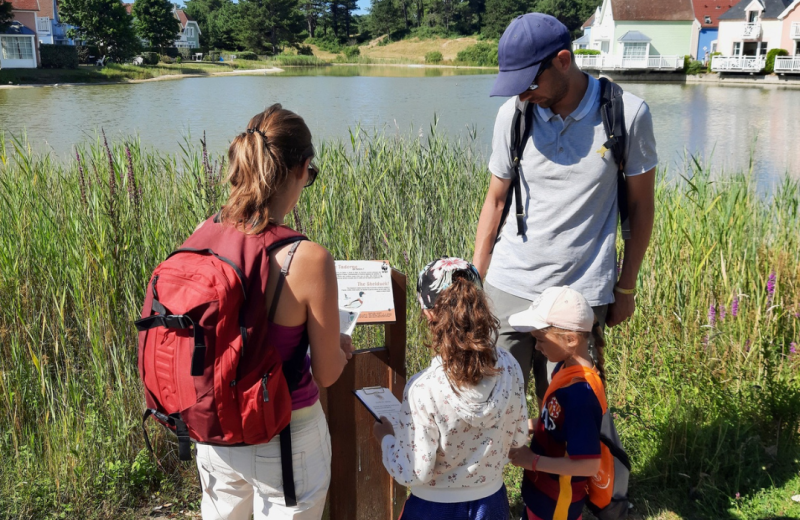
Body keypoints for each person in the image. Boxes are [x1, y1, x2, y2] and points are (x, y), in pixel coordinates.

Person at [472, 13, 657, 404]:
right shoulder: (514, 115)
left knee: (572, 419)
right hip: (510, 286)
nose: (522, 94)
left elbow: (641, 206)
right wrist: (476, 281)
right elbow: (496, 200)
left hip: (580, 295)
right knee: (491, 409)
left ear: (562, 61)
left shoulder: (627, 114)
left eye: (528, 83)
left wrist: (626, 286)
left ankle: (581, 466)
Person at [194, 104, 354, 520]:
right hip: (287, 439)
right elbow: (327, 373)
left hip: (216, 433)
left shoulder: (203, 233)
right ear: (302, 170)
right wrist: (340, 347)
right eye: (311, 174)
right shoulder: (308, 259)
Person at [372, 257, 528, 520]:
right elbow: (518, 438)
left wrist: (387, 439)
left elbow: (414, 472)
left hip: (433, 508)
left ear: (429, 313)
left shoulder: (423, 388)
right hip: (491, 503)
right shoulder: (509, 367)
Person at [506, 286, 607, 520]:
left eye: (540, 339)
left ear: (570, 339)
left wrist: (532, 460)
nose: (537, 347)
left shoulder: (581, 396)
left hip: (557, 502)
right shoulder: (566, 369)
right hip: (542, 493)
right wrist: (528, 425)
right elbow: (557, 423)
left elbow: (588, 465)